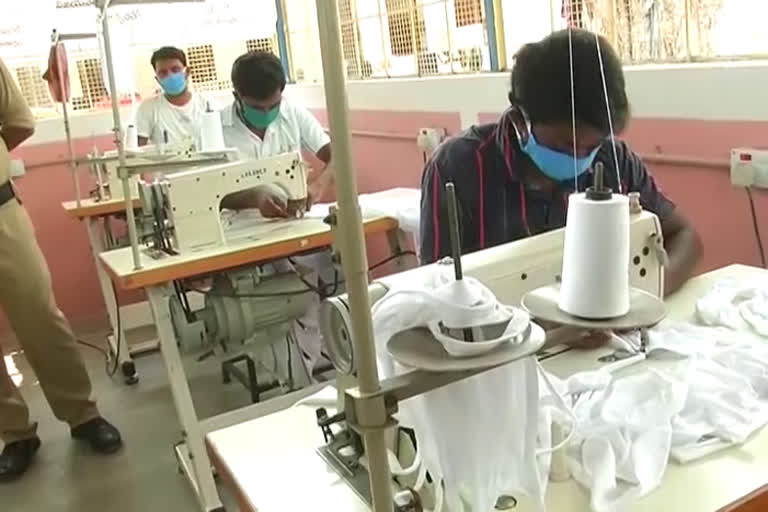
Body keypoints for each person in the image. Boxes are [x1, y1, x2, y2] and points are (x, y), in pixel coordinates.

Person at [420, 29, 701, 297]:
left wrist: (645, 293)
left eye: (593, 146)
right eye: (565, 146)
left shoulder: (614, 160)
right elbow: (433, 290)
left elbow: (686, 237)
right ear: (521, 123)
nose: (581, 159)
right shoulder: (456, 169)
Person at [0, 58, 122, 481]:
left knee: (39, 314)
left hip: (0, 211)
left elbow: (17, 123)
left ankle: (83, 415)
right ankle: (15, 433)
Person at [220, 50, 333, 213]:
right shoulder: (216, 129)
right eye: (257, 108)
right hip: (238, 227)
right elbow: (206, 192)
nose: (266, 113)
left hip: (292, 219)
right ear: (236, 96)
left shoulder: (294, 114)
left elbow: (337, 158)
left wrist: (317, 186)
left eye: (273, 106)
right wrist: (254, 196)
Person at [136, 46, 207, 147]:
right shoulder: (148, 108)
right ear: (157, 80)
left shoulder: (206, 105)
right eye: (163, 73)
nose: (170, 76)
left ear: (187, 72)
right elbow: (137, 150)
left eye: (175, 69)